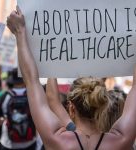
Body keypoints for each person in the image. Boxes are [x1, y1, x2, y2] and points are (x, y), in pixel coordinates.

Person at [7, 6, 136, 150]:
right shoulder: (121, 140)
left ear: (71, 109)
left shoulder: (57, 140)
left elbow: (31, 81)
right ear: (103, 106)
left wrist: (20, 32)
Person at [0, 69, 37, 150]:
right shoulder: (32, 95)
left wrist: (6, 119)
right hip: (30, 142)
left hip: (8, 143)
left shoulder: (5, 96)